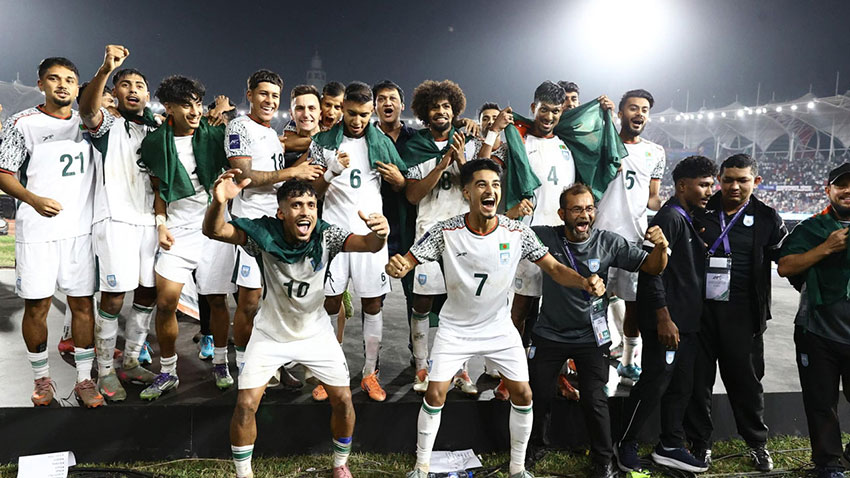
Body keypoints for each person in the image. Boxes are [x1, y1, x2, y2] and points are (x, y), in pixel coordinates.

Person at [387, 159, 606, 478]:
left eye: (495, 184)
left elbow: (555, 269)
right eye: (481, 184)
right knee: (435, 394)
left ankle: (518, 469)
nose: (490, 190)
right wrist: (397, 267)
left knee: (524, 394)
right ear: (466, 193)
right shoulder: (446, 231)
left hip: (499, 328)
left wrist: (584, 281)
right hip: (456, 328)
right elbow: (407, 261)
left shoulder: (516, 231)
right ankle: (421, 467)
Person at [204, 174, 389, 478]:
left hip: (316, 333)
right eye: (296, 205)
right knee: (246, 404)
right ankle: (243, 474)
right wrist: (218, 202)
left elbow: (369, 244)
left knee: (344, 400)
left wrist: (381, 233)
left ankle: (340, 464)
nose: (306, 211)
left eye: (311, 205)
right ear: (281, 213)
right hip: (270, 334)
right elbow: (214, 230)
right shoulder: (263, 235)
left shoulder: (326, 236)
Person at [529, 183, 668, 478]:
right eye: (576, 209)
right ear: (562, 214)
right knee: (539, 394)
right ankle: (536, 445)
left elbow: (653, 267)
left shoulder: (608, 242)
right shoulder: (545, 236)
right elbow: (506, 234)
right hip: (549, 334)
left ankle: (603, 460)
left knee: (595, 398)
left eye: (589, 208)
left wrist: (661, 247)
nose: (584, 215)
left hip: (591, 337)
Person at [0, 57, 103, 407]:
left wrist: (106, 69)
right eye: (54, 79)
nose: (63, 85)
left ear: (78, 87)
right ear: (40, 84)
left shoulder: (90, 123)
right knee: (37, 306)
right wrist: (33, 199)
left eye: (70, 80)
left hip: (80, 231)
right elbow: (4, 173)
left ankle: (85, 380)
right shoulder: (22, 123)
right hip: (37, 231)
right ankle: (42, 380)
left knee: (83, 305)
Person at [615, 155, 717, 473]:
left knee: (681, 385)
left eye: (711, 185)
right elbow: (650, 273)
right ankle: (625, 442)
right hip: (668, 322)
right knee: (654, 383)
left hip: (687, 321)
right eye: (703, 185)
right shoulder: (669, 218)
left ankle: (670, 444)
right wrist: (663, 317)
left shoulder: (687, 218)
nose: (709, 191)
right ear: (682, 186)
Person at [684, 154, 785, 472]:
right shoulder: (700, 210)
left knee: (747, 383)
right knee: (697, 382)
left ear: (756, 181)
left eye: (743, 180)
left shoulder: (767, 217)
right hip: (700, 314)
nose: (734, 186)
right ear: (720, 180)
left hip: (744, 315)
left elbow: (785, 259)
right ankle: (699, 443)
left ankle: (756, 443)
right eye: (728, 179)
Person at [137, 75, 236, 399]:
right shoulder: (155, 143)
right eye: (185, 105)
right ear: (168, 107)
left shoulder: (215, 135)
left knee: (217, 300)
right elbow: (158, 190)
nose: (194, 111)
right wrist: (161, 225)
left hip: (214, 228)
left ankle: (220, 363)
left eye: (197, 104)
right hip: (177, 231)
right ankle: (168, 371)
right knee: (166, 303)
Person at [309, 81, 407, 401]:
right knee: (330, 303)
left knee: (372, 304)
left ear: (371, 112)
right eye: (351, 113)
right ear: (341, 109)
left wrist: (399, 180)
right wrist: (330, 172)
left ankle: (369, 373)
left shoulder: (381, 142)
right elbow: (313, 194)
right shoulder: (322, 143)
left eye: (364, 114)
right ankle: (330, 374)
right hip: (334, 235)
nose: (357, 120)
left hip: (370, 236)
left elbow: (401, 185)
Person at [79, 45, 161, 401]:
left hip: (150, 221)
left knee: (147, 292)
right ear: (114, 92)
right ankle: (105, 371)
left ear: (148, 95)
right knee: (113, 297)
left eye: (139, 85)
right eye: (125, 84)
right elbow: (87, 110)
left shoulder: (157, 129)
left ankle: (130, 361)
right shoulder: (108, 124)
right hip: (115, 219)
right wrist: (105, 70)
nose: (132, 90)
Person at [226, 72, 323, 376]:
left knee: (276, 301)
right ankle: (244, 365)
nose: (269, 101)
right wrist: (293, 173)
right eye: (263, 94)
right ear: (250, 95)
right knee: (249, 301)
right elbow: (244, 176)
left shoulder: (271, 133)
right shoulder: (239, 126)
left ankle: (273, 365)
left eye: (274, 96)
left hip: (277, 226)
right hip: (251, 225)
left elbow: (274, 174)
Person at [401, 79, 478, 395]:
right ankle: (422, 366)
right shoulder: (415, 147)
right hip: (428, 233)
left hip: (464, 234)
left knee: (462, 304)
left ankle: (461, 369)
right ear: (425, 112)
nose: (441, 111)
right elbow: (412, 196)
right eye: (434, 107)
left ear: (455, 110)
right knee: (422, 301)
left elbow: (476, 188)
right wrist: (442, 164)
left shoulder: (468, 142)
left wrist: (460, 159)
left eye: (446, 106)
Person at [778, 162, 850, 478]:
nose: (848, 190)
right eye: (841, 185)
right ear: (828, 190)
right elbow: (785, 266)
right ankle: (828, 463)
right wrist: (826, 248)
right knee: (821, 402)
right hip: (817, 330)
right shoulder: (810, 228)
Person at [594, 89, 665, 385]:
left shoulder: (655, 152)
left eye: (644, 110)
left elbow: (652, 198)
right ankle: (595, 363)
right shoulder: (601, 145)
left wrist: (673, 210)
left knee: (633, 305)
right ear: (620, 113)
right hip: (597, 237)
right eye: (633, 108)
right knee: (594, 304)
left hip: (633, 239)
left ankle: (627, 362)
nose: (639, 114)